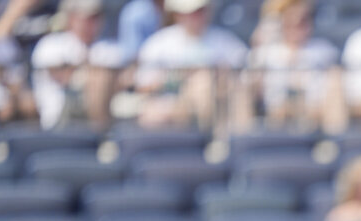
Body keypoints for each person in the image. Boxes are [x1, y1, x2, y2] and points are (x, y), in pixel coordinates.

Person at [135, 0, 248, 128]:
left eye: (200, 11)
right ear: (177, 14)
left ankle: (228, 140)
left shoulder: (224, 41)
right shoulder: (159, 43)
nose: (196, 16)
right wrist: (178, 78)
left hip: (217, 103)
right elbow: (143, 85)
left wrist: (219, 77)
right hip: (171, 102)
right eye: (190, 12)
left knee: (208, 85)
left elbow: (246, 73)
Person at [246, 0, 343, 131]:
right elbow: (249, 85)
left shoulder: (324, 51)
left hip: (315, 115)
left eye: (303, 21)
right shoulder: (265, 53)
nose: (297, 26)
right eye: (291, 22)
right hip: (275, 115)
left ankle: (333, 142)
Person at [30, 0, 122, 129]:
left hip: (100, 117)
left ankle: (101, 134)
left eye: (95, 18)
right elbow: (60, 76)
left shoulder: (109, 47)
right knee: (97, 79)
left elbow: (122, 80)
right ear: (70, 18)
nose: (90, 24)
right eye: (85, 18)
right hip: (58, 121)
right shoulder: (52, 44)